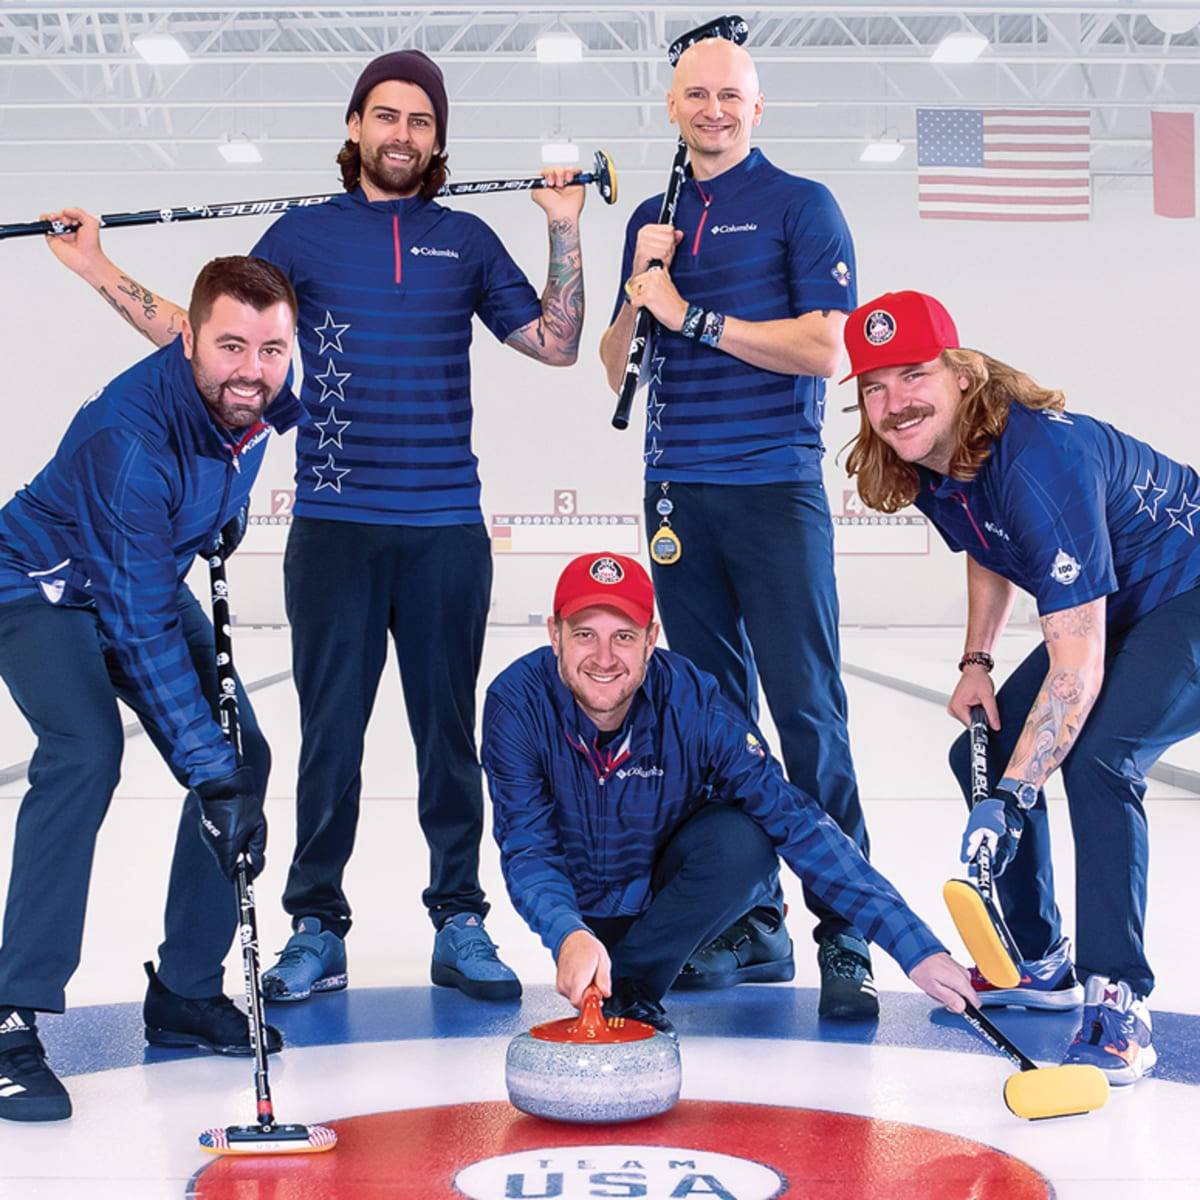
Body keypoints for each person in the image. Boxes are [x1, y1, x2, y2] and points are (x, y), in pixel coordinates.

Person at [41, 49, 587, 1005]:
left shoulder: (464, 238)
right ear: (355, 127)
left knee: (446, 737)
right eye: (386, 115)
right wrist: (96, 268)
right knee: (328, 739)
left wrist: (564, 233)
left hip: (445, 526)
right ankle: (315, 926)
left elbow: (555, 344)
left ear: (437, 140)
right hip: (334, 527)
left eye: (419, 121)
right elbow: (209, 336)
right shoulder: (301, 235)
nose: (402, 135)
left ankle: (459, 918)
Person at [840, 288, 1200, 1085]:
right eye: (874, 386)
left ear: (962, 373)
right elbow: (987, 547)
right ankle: (1041, 965)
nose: (895, 403)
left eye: (912, 375)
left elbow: (1076, 669)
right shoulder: (932, 461)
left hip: (1188, 592)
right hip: (1118, 602)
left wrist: (1011, 800)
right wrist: (977, 663)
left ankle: (1119, 1001)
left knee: (1100, 759)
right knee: (992, 743)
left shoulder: (1041, 460)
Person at [597, 36, 873, 1017]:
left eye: (731, 95)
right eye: (696, 95)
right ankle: (748, 924)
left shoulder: (802, 205)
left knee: (807, 714)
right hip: (677, 490)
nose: (714, 109)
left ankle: (845, 931)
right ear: (671, 106)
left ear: (759, 109)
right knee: (712, 725)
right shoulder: (653, 217)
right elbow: (613, 360)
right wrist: (641, 290)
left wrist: (694, 314)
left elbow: (830, 348)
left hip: (772, 489)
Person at [0, 256, 304, 1122]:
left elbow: (288, 415)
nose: (253, 369)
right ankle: (9, 1011)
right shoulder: (130, 439)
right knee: (85, 752)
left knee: (245, 754)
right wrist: (210, 782)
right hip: (42, 584)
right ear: (189, 339)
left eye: (272, 349)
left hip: (140, 570)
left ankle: (183, 990)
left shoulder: (264, 391)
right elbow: (137, 629)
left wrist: (221, 506)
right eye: (231, 347)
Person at [480, 551, 974, 1037]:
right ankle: (609, 961)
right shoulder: (517, 704)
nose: (604, 658)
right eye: (585, 635)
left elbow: (795, 819)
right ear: (554, 634)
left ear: (651, 639)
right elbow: (529, 848)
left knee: (746, 837)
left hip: (664, 913)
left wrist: (914, 946)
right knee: (577, 908)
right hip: (581, 914)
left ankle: (634, 985)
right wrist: (567, 931)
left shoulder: (693, 703)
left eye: (624, 637)